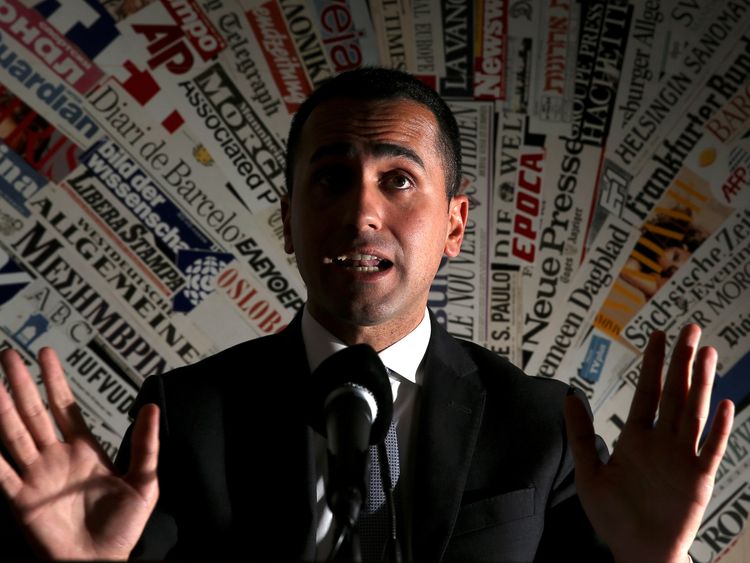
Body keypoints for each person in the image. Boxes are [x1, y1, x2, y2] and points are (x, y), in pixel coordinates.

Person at [0, 67, 735, 561]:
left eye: (399, 179)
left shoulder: (541, 424)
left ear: (453, 224)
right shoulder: (185, 416)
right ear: (287, 221)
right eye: (330, 179)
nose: (361, 213)